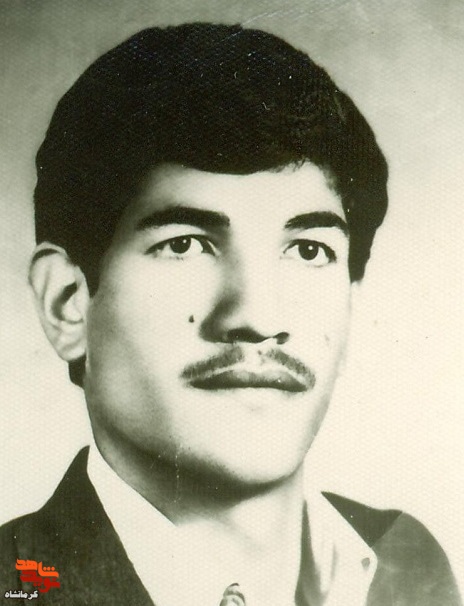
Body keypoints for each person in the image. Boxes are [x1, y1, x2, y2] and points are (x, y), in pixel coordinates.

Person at [0, 23, 460, 606]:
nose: (257, 317)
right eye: (185, 244)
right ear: (67, 303)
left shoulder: (403, 566)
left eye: (309, 250)